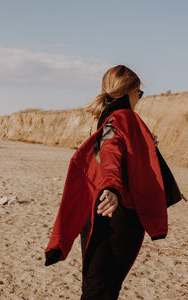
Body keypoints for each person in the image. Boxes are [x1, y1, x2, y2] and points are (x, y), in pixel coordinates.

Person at [44, 65, 169, 299]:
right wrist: (111, 186)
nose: (138, 100)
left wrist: (145, 147)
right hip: (115, 212)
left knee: (99, 287)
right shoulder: (122, 117)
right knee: (100, 290)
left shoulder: (105, 119)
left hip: (101, 209)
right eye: (138, 94)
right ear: (129, 92)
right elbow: (110, 151)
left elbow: (112, 152)